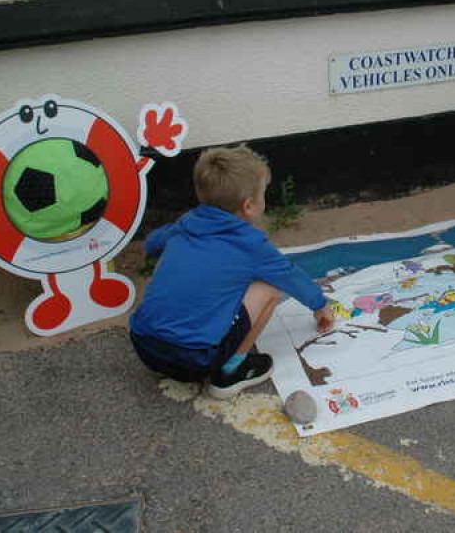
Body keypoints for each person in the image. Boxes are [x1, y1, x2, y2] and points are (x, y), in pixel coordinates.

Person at [129, 145, 334, 399]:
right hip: (194, 360)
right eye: (263, 195)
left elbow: (152, 244)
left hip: (144, 347)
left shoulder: (186, 223)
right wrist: (320, 304)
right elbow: (290, 276)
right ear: (248, 206)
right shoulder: (252, 245)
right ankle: (229, 373)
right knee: (268, 288)